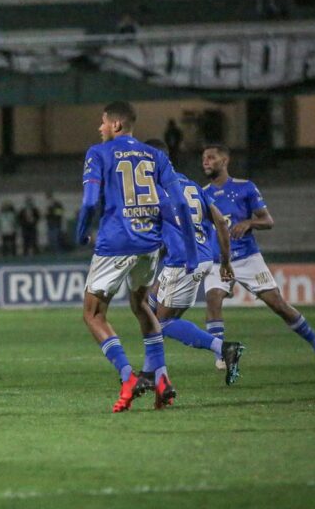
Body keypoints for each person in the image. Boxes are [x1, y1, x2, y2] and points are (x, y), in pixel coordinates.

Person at [75, 101, 199, 413]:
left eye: (103, 122)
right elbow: (180, 205)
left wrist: (80, 231)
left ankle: (128, 376)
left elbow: (90, 202)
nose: (99, 128)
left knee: (93, 314)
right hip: (148, 244)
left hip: (116, 242)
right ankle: (160, 379)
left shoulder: (99, 152)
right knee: (142, 305)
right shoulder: (156, 155)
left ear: (116, 125)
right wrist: (191, 251)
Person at [201, 144, 315, 368]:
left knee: (278, 305)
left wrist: (248, 222)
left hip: (248, 258)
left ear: (224, 161)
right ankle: (221, 356)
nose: (205, 161)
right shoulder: (202, 193)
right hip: (218, 260)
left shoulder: (245, 188)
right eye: (203, 158)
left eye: (211, 157)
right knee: (213, 299)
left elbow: (268, 220)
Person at [143, 139, 245, 386]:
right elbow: (220, 222)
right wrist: (225, 262)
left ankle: (223, 348)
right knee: (149, 303)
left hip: (184, 261)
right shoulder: (189, 184)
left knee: (163, 322)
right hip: (200, 257)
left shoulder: (155, 187)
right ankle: (149, 371)